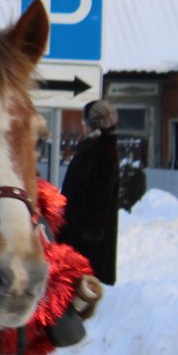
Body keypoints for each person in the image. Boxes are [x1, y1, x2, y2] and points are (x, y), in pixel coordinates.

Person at [58, 99, 122, 286]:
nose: (82, 125)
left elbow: (101, 197)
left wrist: (90, 232)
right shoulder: (94, 149)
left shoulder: (103, 153)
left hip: (85, 240)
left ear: (95, 125)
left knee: (79, 290)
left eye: (85, 122)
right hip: (79, 234)